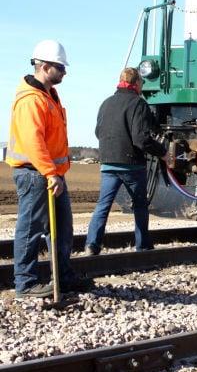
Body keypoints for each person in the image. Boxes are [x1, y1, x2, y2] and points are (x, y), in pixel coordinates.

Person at [6, 40, 88, 298]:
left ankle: (63, 277)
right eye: (60, 67)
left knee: (63, 228)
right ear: (44, 66)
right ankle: (26, 284)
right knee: (30, 229)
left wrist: (55, 173)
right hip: (35, 174)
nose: (64, 72)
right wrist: (50, 173)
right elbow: (33, 141)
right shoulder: (31, 100)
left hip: (50, 174)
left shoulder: (48, 94)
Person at [84, 67, 167, 256]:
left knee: (103, 205)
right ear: (136, 82)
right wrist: (162, 152)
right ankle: (143, 246)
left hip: (108, 162)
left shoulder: (106, 103)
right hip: (131, 164)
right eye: (142, 82)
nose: (143, 85)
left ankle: (91, 245)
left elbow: (98, 132)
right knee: (139, 206)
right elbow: (141, 139)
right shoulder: (138, 104)